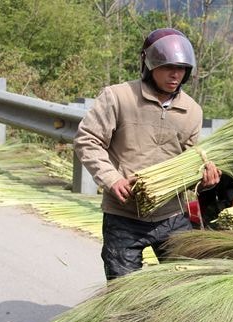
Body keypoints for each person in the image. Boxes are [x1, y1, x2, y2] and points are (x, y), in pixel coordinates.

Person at [74, 28, 221, 280]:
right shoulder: (119, 97)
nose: (175, 74)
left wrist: (205, 180)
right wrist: (112, 179)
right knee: (124, 292)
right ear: (149, 64)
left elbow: (190, 163)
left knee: (184, 287)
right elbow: (87, 140)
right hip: (124, 216)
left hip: (172, 216)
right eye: (167, 67)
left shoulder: (192, 111)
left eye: (182, 68)